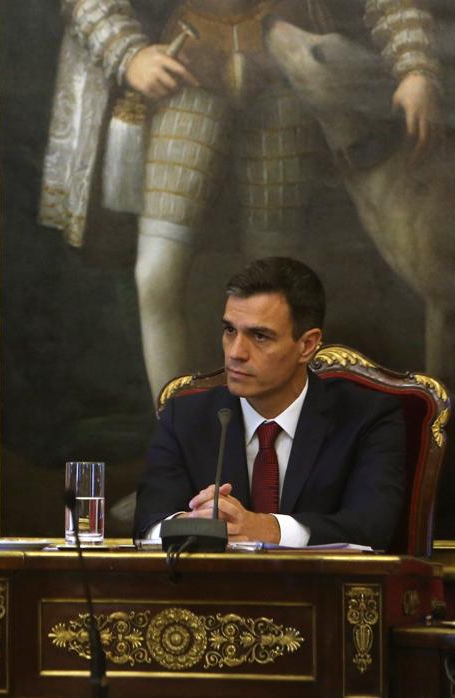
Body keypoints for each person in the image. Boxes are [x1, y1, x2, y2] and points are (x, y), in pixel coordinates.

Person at [40, 0, 442, 400]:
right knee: (157, 277)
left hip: (284, 82)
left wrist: (415, 67)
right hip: (188, 72)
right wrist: (130, 53)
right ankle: (178, 442)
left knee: (274, 294)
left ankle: (269, 443)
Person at [134, 257, 406, 549]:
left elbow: (373, 527)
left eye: (260, 336)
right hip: (213, 591)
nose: (236, 353)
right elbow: (148, 523)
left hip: (322, 592)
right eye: (229, 331)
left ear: (306, 345)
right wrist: (191, 526)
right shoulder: (186, 416)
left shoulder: (367, 418)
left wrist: (267, 528)